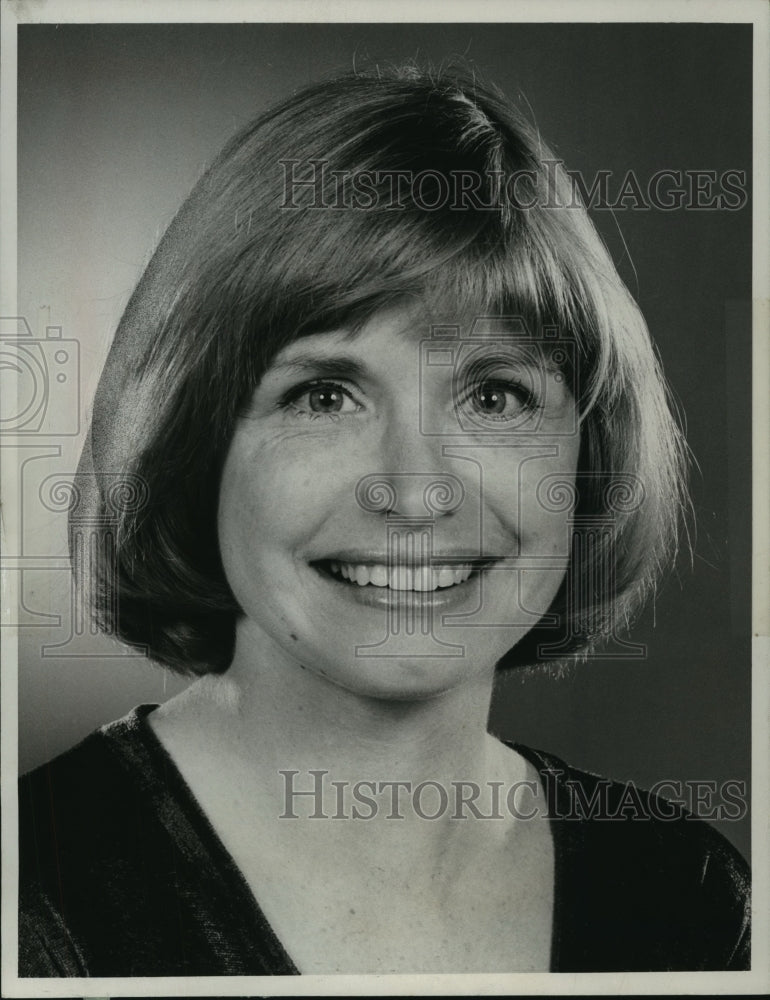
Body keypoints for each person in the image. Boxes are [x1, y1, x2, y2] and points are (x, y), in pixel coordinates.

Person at [18, 65, 750, 976]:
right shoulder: (36, 906)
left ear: (587, 450)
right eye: (323, 395)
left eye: (495, 395)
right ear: (193, 444)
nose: (416, 490)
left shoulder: (687, 896)